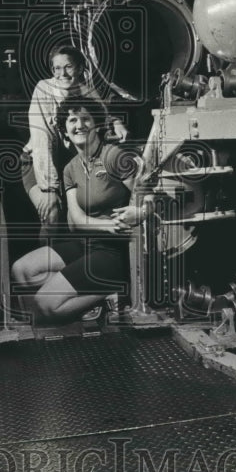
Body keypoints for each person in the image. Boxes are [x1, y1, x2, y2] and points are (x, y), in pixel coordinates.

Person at [12, 97, 151, 322]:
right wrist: (108, 224)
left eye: (86, 119)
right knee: (21, 271)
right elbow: (75, 221)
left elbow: (148, 197)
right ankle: (96, 294)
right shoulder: (70, 168)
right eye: (72, 120)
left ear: (96, 124)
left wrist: (141, 212)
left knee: (45, 305)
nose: (79, 125)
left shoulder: (114, 156)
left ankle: (114, 290)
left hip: (114, 251)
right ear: (65, 131)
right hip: (86, 245)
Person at [22, 45, 104, 237]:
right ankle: (42, 265)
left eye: (68, 66)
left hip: (68, 164)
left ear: (81, 68)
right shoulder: (43, 89)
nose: (63, 73)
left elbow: (101, 116)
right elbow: (43, 140)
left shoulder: (87, 90)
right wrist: (50, 188)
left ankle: (72, 264)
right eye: (57, 68)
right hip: (37, 162)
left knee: (78, 218)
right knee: (51, 214)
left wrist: (116, 123)